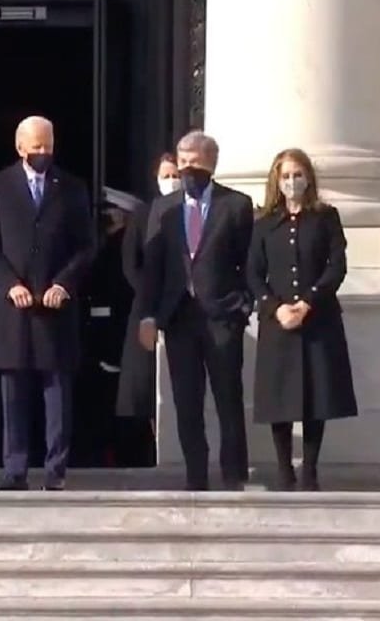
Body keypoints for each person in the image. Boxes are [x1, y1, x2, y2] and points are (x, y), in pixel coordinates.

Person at [0, 115, 95, 491]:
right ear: (20, 147)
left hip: (56, 306)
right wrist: (10, 284)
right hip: (13, 308)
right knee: (14, 393)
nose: (43, 152)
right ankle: (15, 470)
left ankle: (55, 470)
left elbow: (87, 245)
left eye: (48, 145)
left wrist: (64, 283)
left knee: (57, 390)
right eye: (36, 146)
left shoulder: (72, 188)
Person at [139, 131, 253, 491]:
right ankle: (196, 476)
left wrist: (244, 304)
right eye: (182, 162)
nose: (187, 170)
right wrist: (147, 315)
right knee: (186, 402)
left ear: (211, 165)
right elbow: (152, 268)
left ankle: (233, 474)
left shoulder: (236, 205)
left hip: (222, 316)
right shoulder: (164, 208)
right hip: (179, 317)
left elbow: (249, 261)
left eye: (195, 163)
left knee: (227, 399)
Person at [247, 148, 357, 491]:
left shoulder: (325, 217)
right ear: (276, 182)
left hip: (317, 318)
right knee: (280, 396)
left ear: (308, 178)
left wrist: (308, 302)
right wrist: (275, 306)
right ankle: (283, 469)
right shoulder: (264, 223)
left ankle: (309, 469)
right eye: (286, 176)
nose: (292, 182)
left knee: (315, 395)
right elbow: (253, 271)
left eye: (297, 175)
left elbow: (335, 265)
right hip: (276, 320)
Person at [115, 153, 181, 465]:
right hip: (146, 308)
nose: (172, 180)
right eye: (166, 175)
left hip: (183, 307)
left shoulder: (190, 211)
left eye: (176, 174)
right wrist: (150, 296)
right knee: (144, 386)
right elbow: (131, 263)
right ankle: (151, 449)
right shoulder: (143, 214)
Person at [77, 188, 136, 467]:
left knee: (114, 404)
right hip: (106, 335)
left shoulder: (120, 248)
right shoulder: (107, 246)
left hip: (115, 336)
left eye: (110, 213)